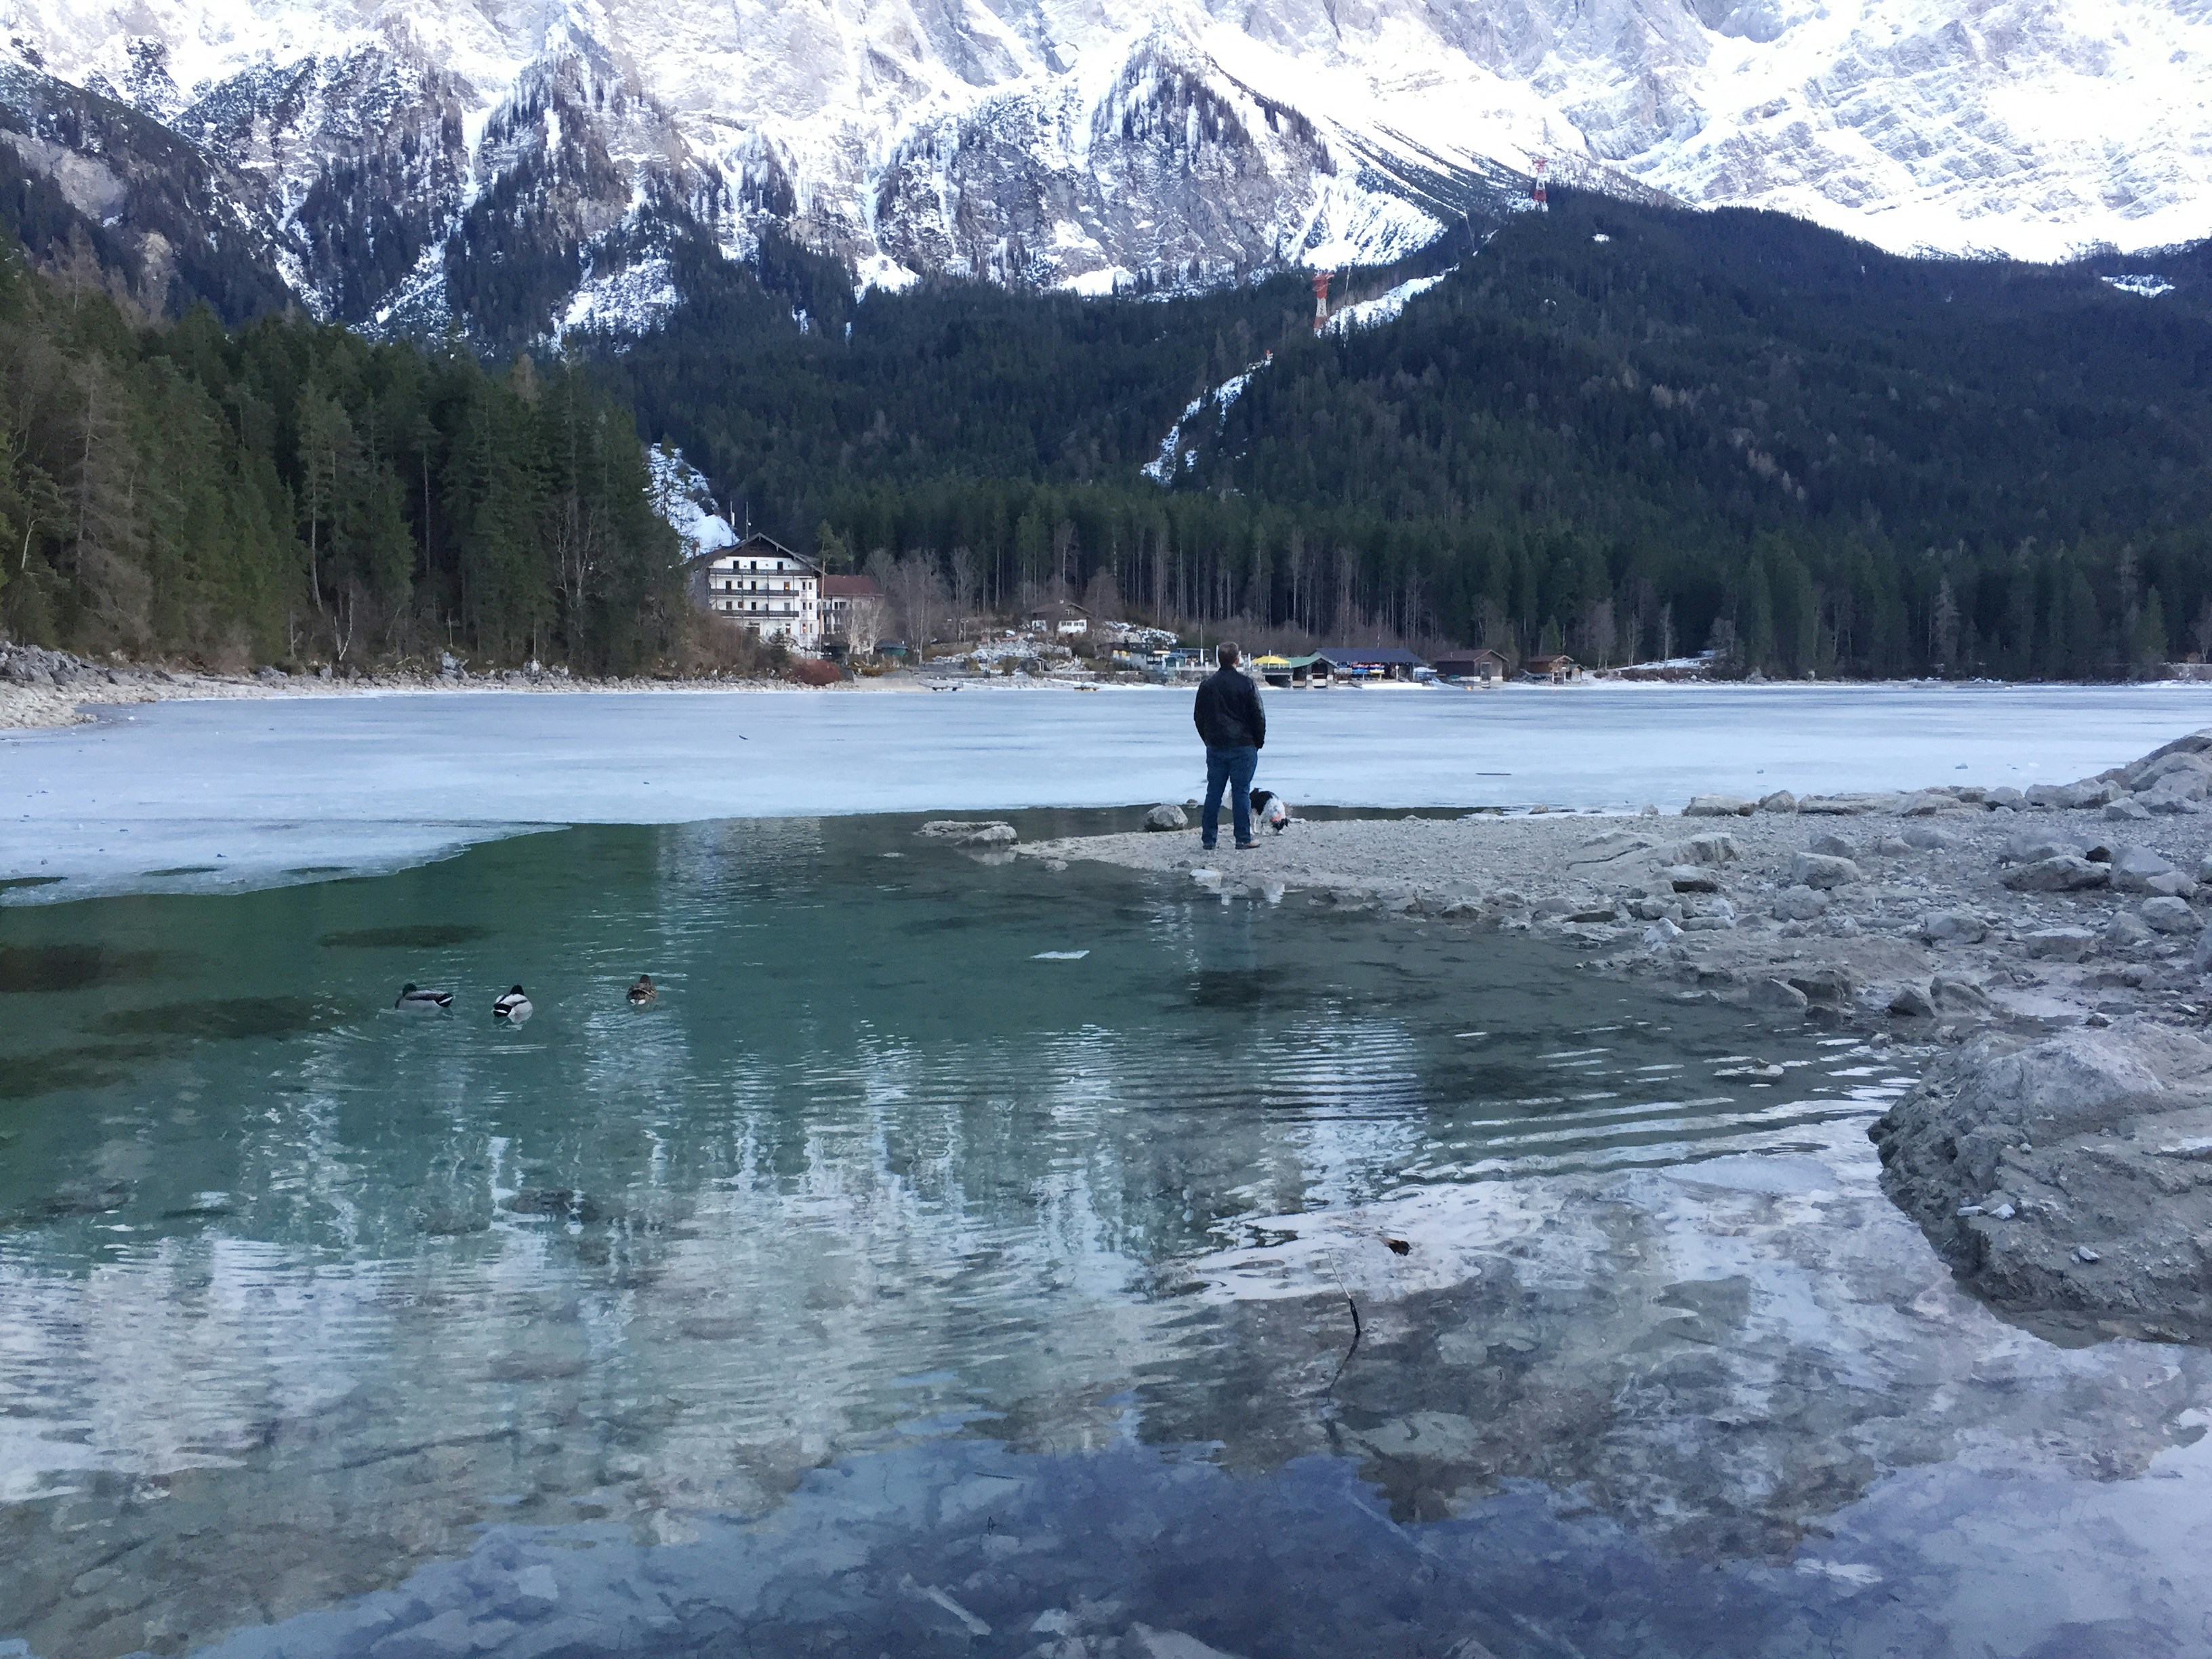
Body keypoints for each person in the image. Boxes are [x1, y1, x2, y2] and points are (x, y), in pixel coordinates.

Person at [1193, 641, 1267, 850]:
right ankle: (1243, 838)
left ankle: (1209, 839)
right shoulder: (1247, 684)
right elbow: (1258, 716)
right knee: (1241, 791)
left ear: (1219, 659)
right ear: (1237, 659)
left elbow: (1198, 717)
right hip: (1244, 746)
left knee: (1214, 792)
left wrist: (1208, 739)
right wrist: (1257, 742)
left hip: (1216, 746)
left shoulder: (1207, 686)